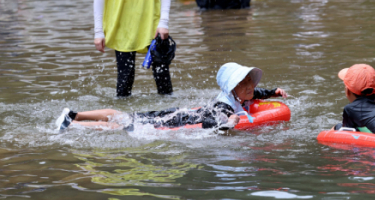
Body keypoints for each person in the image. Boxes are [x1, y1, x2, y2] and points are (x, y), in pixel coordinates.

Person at [55, 62, 288, 131]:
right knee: (126, 122)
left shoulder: (240, 95)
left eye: (250, 81)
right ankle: (74, 122)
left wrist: (273, 92)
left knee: (129, 117)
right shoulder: (224, 105)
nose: (250, 87)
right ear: (232, 88)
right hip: (179, 120)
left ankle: (74, 116)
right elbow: (217, 122)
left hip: (183, 113)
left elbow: (255, 93)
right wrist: (229, 124)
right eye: (244, 82)